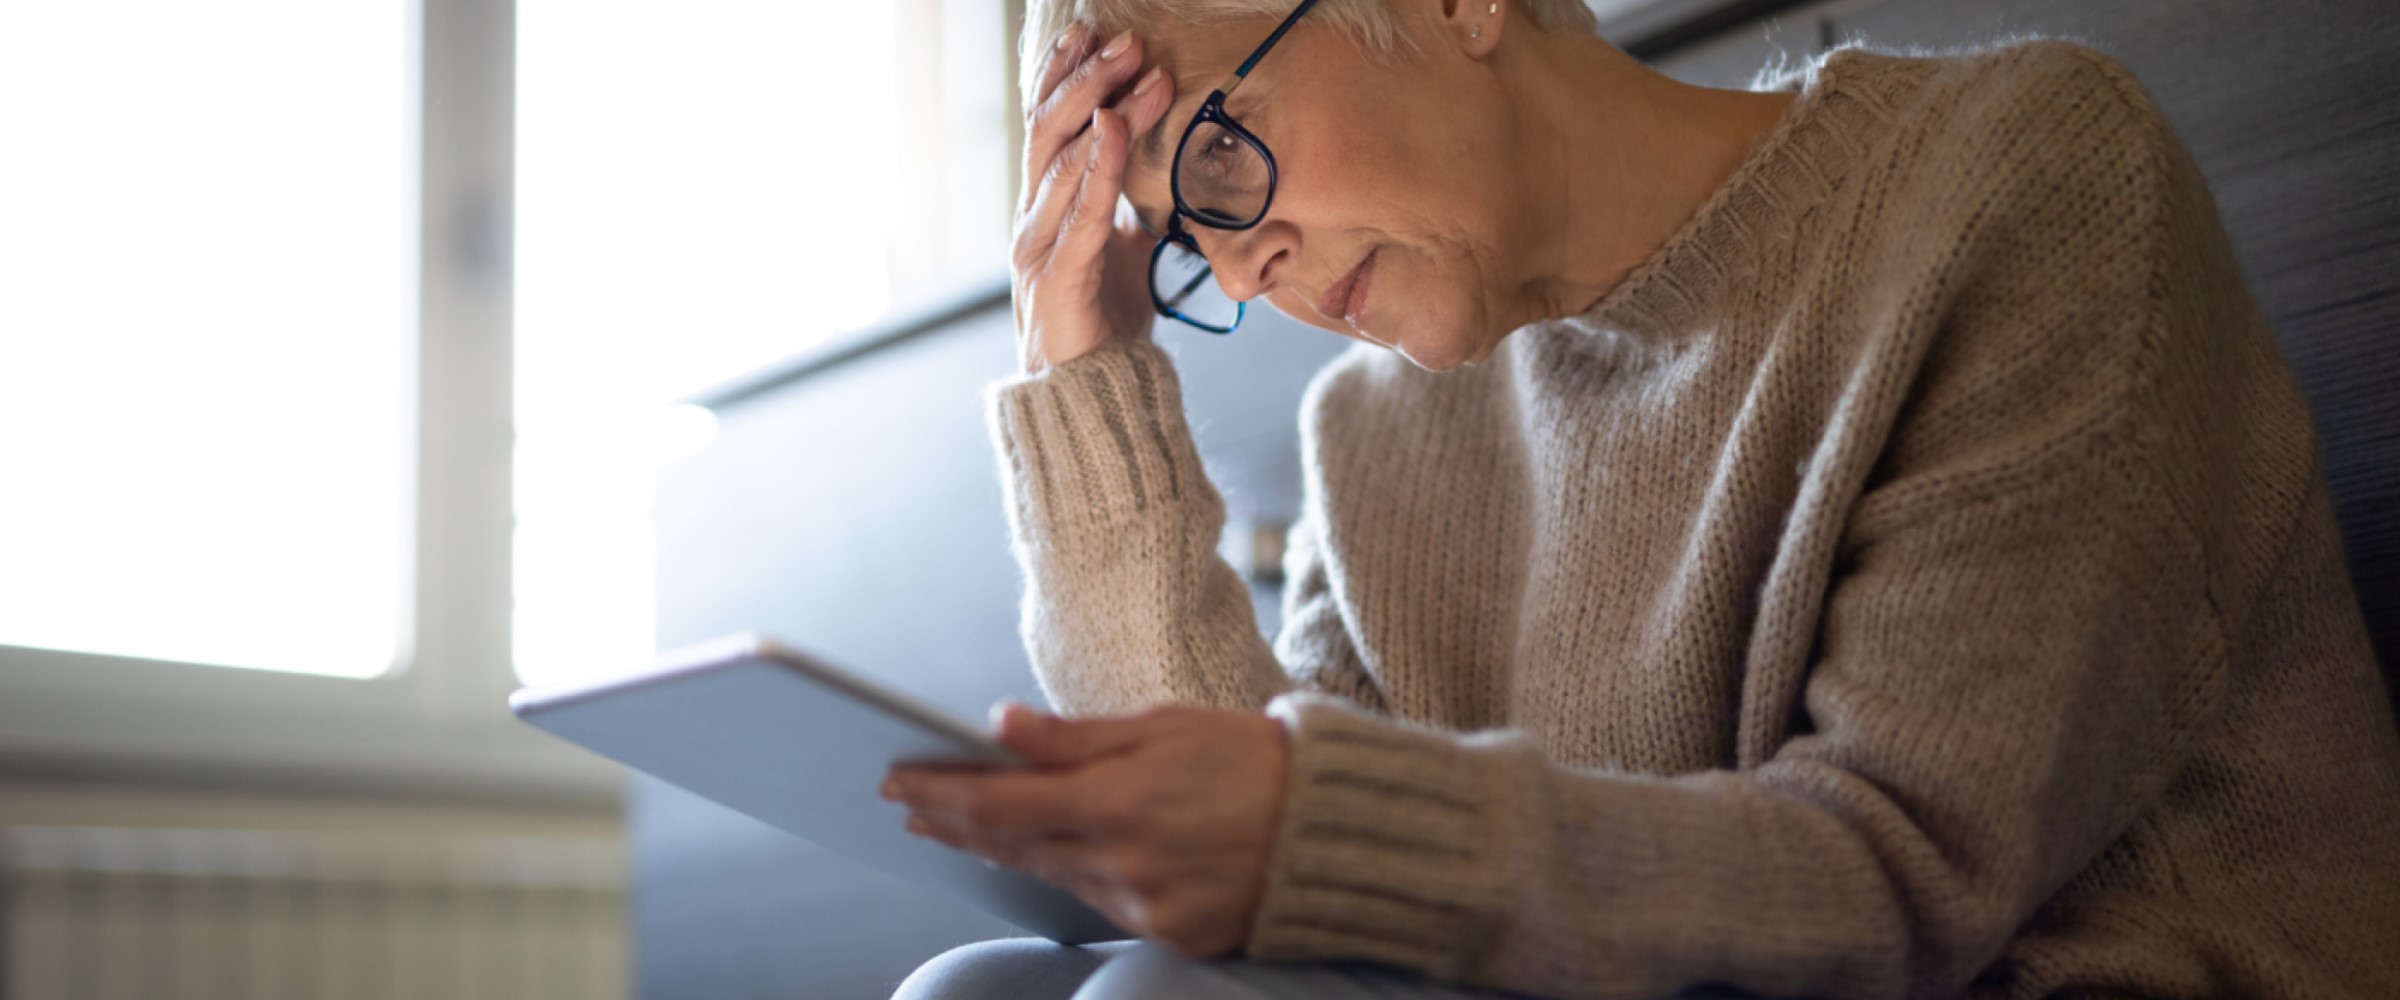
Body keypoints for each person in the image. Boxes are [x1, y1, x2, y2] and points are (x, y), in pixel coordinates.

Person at [884, 0, 2400, 997]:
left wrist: (1321, 830)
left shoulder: (2018, 181)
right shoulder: (1374, 437)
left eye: (1213, 157)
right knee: (983, 990)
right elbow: (1294, 920)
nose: (1235, 268)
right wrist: (1085, 385)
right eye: (1176, 245)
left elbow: (1906, 879)